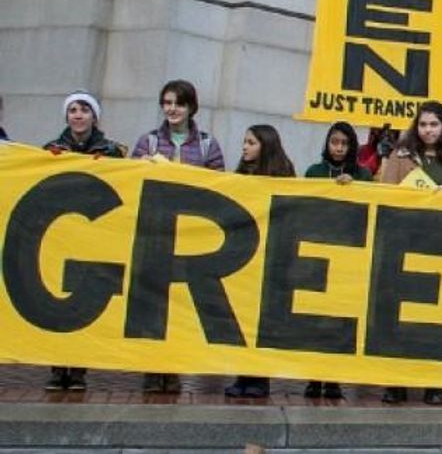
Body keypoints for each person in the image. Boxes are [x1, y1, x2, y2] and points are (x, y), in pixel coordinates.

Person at [376, 101, 442, 406]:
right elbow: (385, 193)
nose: (428, 130)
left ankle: (433, 383)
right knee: (400, 316)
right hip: (405, 243)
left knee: (436, 318)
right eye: (422, 124)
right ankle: (396, 382)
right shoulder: (401, 156)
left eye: (434, 124)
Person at [131, 79, 224, 394]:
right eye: (167, 103)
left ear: (191, 107)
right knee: (152, 303)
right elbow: (129, 181)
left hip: (191, 237)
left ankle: (172, 368)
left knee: (181, 306)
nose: (172, 109)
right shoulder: (148, 142)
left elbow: (221, 186)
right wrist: (140, 167)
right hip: (156, 233)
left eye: (179, 103)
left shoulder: (208, 145)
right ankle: (151, 367)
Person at [41, 91, 126, 391]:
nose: (78, 115)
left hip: (94, 236)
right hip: (60, 235)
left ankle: (78, 369)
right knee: (55, 303)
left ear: (94, 117)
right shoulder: (50, 150)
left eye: (84, 110)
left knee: (85, 303)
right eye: (73, 110)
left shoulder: (113, 152)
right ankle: (56, 368)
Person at [224, 125, 295, 400]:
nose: (244, 147)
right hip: (243, 259)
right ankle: (242, 376)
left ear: (266, 145)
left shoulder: (284, 176)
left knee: (262, 324)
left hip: (272, 258)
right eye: (244, 141)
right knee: (242, 321)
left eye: (251, 142)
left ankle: (259, 378)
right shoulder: (240, 176)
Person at [301, 122, 371, 400]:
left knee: (340, 320)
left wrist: (355, 188)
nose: (339, 148)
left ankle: (333, 378)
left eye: (344, 143)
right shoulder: (314, 172)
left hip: (349, 255)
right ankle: (313, 377)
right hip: (318, 252)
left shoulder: (362, 174)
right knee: (315, 320)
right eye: (334, 142)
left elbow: (372, 206)